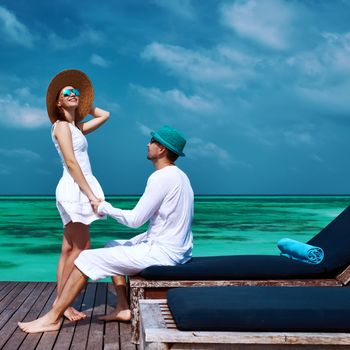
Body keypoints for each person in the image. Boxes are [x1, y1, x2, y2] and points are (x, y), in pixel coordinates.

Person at [18, 125, 193, 333]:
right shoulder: (181, 176)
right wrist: (143, 238)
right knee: (111, 245)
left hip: (163, 254)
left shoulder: (161, 177)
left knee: (85, 258)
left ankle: (53, 318)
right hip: (178, 250)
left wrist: (104, 207)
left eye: (153, 141)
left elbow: (135, 219)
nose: (148, 144)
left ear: (162, 149)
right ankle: (122, 307)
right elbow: (168, 221)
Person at [47, 69, 109, 321]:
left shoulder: (76, 128)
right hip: (75, 188)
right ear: (58, 102)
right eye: (67, 93)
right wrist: (91, 194)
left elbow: (105, 114)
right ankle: (63, 306)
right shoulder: (61, 126)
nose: (73, 94)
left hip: (76, 187)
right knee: (82, 248)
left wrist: (85, 104)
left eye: (76, 92)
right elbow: (72, 163)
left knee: (68, 249)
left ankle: (60, 304)